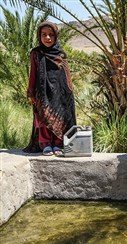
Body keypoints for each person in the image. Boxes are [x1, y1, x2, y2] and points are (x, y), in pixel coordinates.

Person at [23, 21, 76, 156]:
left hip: (59, 93)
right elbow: (33, 73)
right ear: (39, 36)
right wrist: (31, 93)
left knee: (59, 116)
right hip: (42, 91)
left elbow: (66, 77)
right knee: (43, 116)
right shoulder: (36, 53)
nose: (47, 38)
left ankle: (57, 144)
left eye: (51, 35)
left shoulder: (61, 54)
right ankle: (45, 144)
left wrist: (69, 93)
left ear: (56, 36)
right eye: (44, 34)